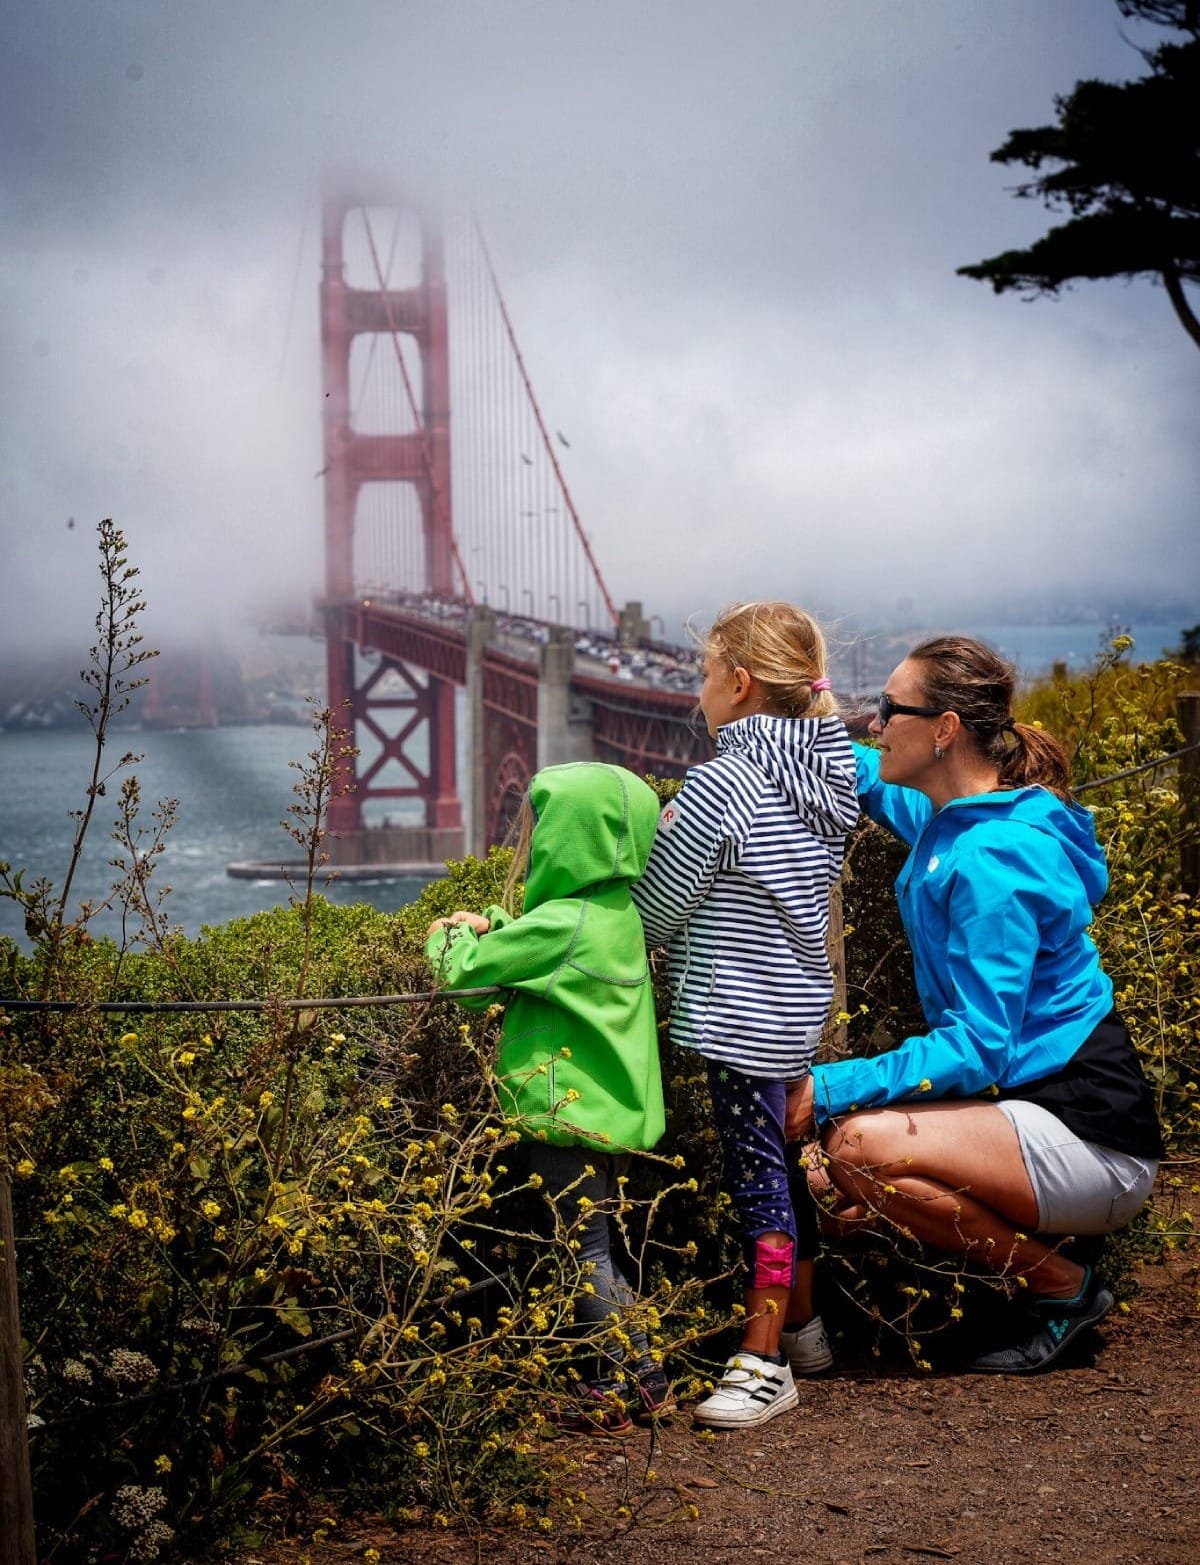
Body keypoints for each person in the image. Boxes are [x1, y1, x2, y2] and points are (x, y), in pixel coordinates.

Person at [786, 634, 1165, 1375]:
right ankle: (1008, 1283)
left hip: (1089, 1131)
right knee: (843, 1191)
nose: (875, 721)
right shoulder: (948, 815)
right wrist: (789, 723)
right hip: (1029, 1113)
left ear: (944, 730)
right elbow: (865, 772)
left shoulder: (992, 858)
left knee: (859, 1152)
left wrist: (823, 1088)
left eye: (891, 708)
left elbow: (978, 1046)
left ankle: (1065, 1290)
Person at [632, 601, 859, 1428]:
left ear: (739, 683)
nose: (697, 690)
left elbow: (655, 913)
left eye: (702, 673)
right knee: (781, 1165)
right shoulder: (828, 771)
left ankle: (762, 1361)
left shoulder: (722, 782)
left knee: (757, 1180)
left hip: (736, 1013)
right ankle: (804, 1329)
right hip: (795, 1010)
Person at [425, 761, 671, 1434]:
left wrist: (448, 931)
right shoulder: (614, 912)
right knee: (600, 1243)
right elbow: (549, 950)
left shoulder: (561, 923)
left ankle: (623, 1383)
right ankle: (633, 1377)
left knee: (583, 1250)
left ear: (568, 838)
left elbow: (469, 972)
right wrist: (505, 921)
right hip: (613, 1118)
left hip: (568, 1121)